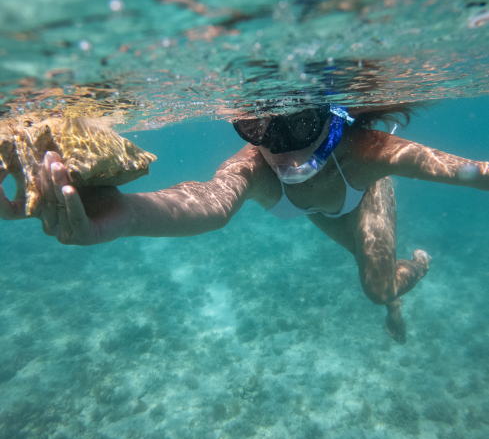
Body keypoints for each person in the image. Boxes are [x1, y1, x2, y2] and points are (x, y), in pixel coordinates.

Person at [1, 102, 487, 344]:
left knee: (379, 290)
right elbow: (209, 202)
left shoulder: (365, 152)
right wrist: (124, 214)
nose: (280, 147)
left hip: (363, 198)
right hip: (319, 212)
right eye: (256, 128)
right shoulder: (256, 166)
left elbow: (466, 171)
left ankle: (415, 267)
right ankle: (393, 287)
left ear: (330, 116)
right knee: (377, 283)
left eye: (297, 122)